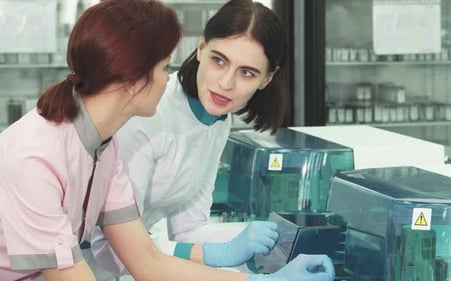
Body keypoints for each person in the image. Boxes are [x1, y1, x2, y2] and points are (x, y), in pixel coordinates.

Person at [0, 0, 334, 280]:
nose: (169, 80)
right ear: (132, 79)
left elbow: (147, 261)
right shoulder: (34, 159)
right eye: (164, 68)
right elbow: (103, 259)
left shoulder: (105, 146)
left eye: (247, 72)